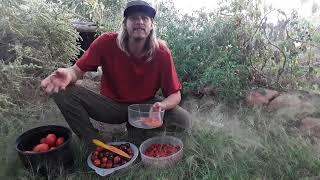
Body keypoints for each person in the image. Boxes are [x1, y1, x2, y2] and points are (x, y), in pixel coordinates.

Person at [40, 0, 191, 146]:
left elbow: (175, 94)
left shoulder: (162, 52)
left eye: (145, 18)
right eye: (133, 18)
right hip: (111, 106)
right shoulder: (106, 42)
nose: (139, 21)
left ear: (151, 25)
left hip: (144, 108)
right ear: (125, 24)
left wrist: (162, 105)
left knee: (183, 119)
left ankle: (138, 129)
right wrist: (69, 73)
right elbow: (77, 70)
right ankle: (93, 142)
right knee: (63, 91)